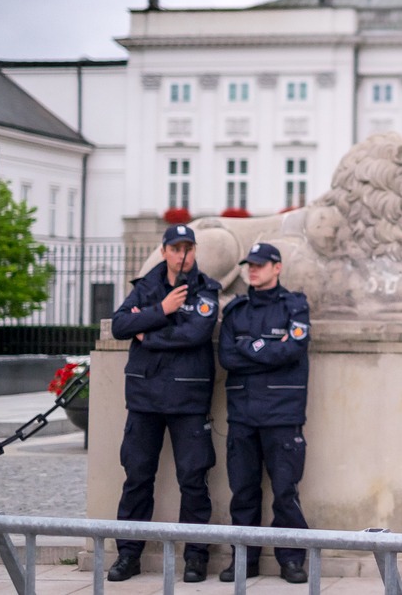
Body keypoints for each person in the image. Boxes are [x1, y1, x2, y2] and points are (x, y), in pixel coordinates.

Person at [107, 224, 220, 583]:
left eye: (188, 248)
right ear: (164, 251)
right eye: (176, 248)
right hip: (145, 399)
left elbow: (195, 333)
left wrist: (149, 334)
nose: (182, 255)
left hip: (188, 399)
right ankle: (128, 554)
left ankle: (196, 556)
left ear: (195, 251)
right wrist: (162, 309)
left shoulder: (205, 289)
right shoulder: (146, 287)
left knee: (194, 480)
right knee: (137, 477)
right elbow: (120, 325)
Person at [217, 242, 312, 584]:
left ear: (277, 267)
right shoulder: (237, 310)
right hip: (243, 414)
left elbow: (293, 350)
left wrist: (250, 347)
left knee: (285, 492)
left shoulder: (294, 306)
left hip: (282, 414)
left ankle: (291, 560)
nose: (252, 270)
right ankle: (245, 559)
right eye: (250, 265)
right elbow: (227, 357)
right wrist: (269, 350)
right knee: (243, 493)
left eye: (260, 264)